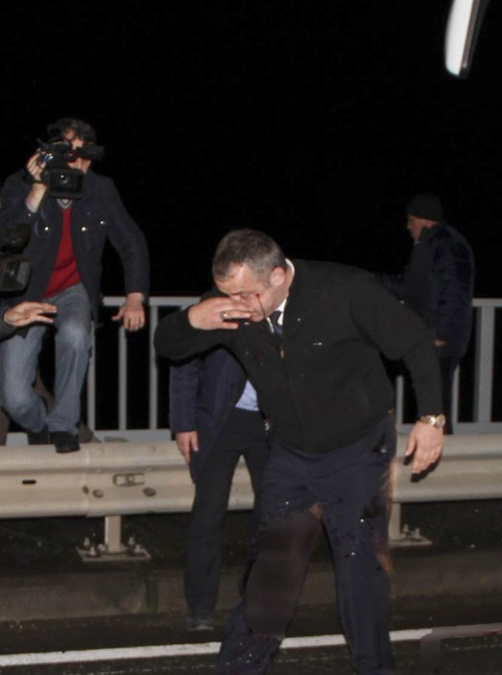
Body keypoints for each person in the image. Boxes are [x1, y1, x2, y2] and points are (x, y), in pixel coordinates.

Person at [154, 229, 445, 674]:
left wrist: (431, 420)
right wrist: (194, 317)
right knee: (274, 572)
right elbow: (168, 346)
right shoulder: (233, 306)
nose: (239, 306)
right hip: (290, 452)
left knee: (356, 569)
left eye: (247, 294)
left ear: (276, 275)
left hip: (357, 448)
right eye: (228, 294)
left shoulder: (345, 291)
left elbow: (415, 343)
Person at [0, 118, 150, 453]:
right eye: (69, 154)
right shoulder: (18, 184)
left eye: (85, 155)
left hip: (73, 288)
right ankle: (40, 425)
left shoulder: (100, 189)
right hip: (26, 297)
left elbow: (130, 241)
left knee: (76, 333)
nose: (78, 163)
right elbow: (6, 237)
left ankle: (63, 426)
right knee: (13, 394)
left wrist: (135, 296)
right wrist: (37, 188)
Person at [169, 348, 270, 632]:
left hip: (271, 420)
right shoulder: (214, 305)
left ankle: (260, 594)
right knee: (209, 511)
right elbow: (184, 359)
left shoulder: (286, 308)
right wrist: (183, 422)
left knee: (275, 512)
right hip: (218, 419)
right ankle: (200, 605)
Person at [381, 193, 475, 433]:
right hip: (427, 334)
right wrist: (373, 282)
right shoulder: (429, 244)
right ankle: (433, 447)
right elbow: (411, 286)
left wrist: (440, 333)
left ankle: (440, 451)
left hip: (441, 339)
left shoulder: (448, 244)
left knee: (436, 400)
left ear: (423, 220)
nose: (408, 226)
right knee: (430, 396)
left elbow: (455, 290)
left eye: (410, 220)